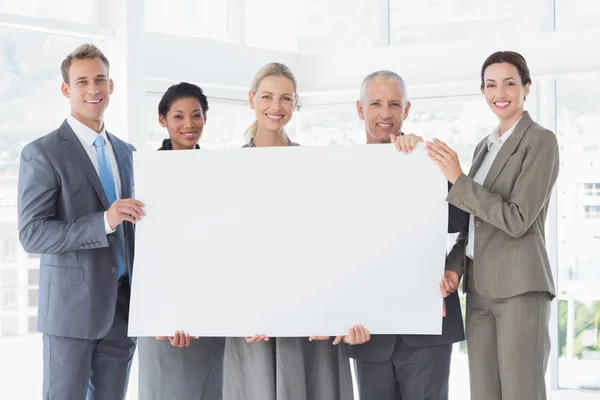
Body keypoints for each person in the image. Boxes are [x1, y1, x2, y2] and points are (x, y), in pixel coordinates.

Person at [223, 62, 369, 400]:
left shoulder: (316, 166)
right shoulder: (228, 169)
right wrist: (236, 315)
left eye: (285, 98)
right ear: (251, 99)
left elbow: (333, 245)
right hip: (253, 320)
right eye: (267, 97)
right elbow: (225, 250)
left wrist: (329, 311)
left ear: (295, 102)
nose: (276, 107)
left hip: (311, 318)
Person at [425, 51, 559, 400]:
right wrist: (455, 267)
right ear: (483, 91)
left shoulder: (540, 141)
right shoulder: (485, 147)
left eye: (510, 83)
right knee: (483, 393)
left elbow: (516, 219)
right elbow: (474, 221)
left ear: (527, 87)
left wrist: (458, 179)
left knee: (521, 392)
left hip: (520, 288)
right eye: (491, 84)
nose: (500, 92)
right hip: (479, 288)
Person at [17, 44, 144, 399]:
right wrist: (103, 220)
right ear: (66, 89)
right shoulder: (42, 153)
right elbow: (32, 234)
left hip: (122, 311)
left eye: (100, 79)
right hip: (71, 313)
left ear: (111, 86)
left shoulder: (128, 152)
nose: (93, 89)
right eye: (83, 81)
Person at [348, 70, 467, 400]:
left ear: (407, 109)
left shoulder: (427, 162)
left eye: (394, 104)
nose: (385, 113)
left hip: (427, 327)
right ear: (360, 110)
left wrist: (423, 165)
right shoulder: (342, 170)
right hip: (368, 331)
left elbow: (463, 221)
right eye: (375, 103)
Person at [137, 82, 226, 400]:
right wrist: (165, 314)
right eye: (178, 116)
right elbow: (148, 254)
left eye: (196, 115)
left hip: (209, 309)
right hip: (162, 313)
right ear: (163, 120)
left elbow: (223, 246)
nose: (189, 124)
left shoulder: (220, 173)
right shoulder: (146, 175)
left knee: (212, 388)